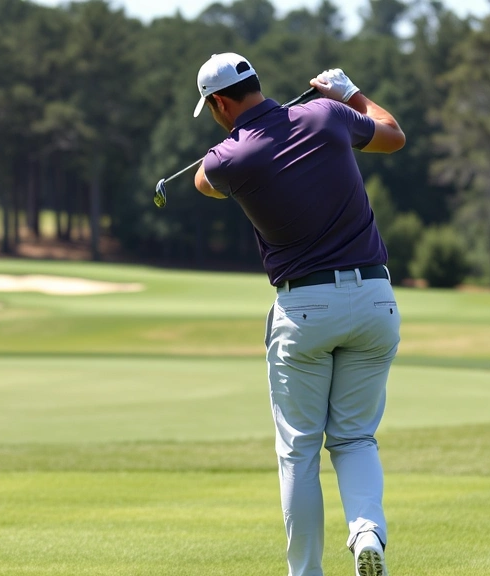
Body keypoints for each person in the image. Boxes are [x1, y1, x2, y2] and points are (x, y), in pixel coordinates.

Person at [191, 53, 405, 576]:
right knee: (355, 438)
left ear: (219, 103)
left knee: (300, 452)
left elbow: (202, 181)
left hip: (304, 308)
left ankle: (307, 572)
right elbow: (393, 134)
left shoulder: (227, 159)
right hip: (375, 299)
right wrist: (347, 93)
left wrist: (245, 135)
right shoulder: (327, 117)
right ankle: (366, 531)